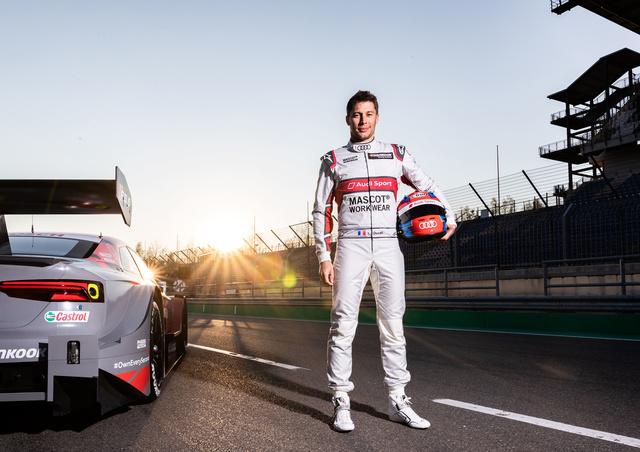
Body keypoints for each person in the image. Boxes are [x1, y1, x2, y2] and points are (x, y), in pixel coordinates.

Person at [312, 90, 457, 432]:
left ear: (377, 117)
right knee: (342, 323)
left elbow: (427, 184)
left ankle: (397, 400)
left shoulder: (395, 154)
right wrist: (323, 255)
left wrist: (449, 216)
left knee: (393, 324)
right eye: (356, 114)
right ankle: (341, 400)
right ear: (348, 119)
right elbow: (321, 210)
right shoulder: (333, 160)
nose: (362, 120)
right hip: (351, 246)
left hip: (389, 245)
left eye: (368, 114)